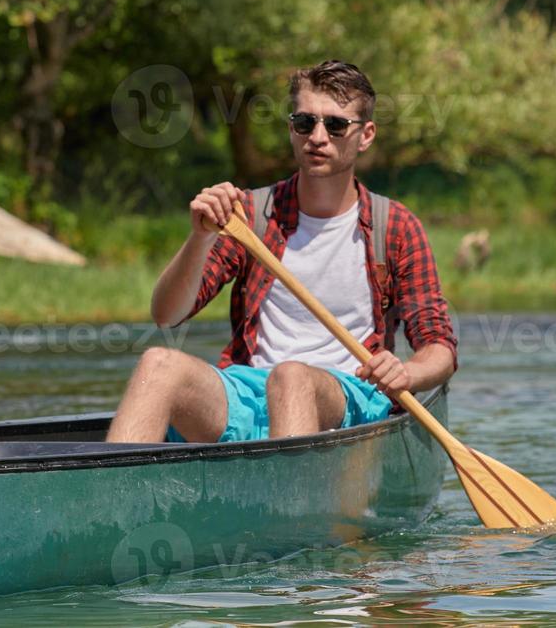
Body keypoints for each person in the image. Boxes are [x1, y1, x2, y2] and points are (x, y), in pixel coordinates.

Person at [107, 60, 457, 444]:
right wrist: (200, 237)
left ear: (366, 135)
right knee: (158, 363)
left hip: (350, 394)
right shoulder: (249, 216)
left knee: (291, 377)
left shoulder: (396, 227)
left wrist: (407, 374)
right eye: (304, 122)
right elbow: (166, 314)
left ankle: (287, 502)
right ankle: (111, 500)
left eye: (336, 125)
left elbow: (438, 346)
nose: (318, 137)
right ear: (292, 129)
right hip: (248, 391)